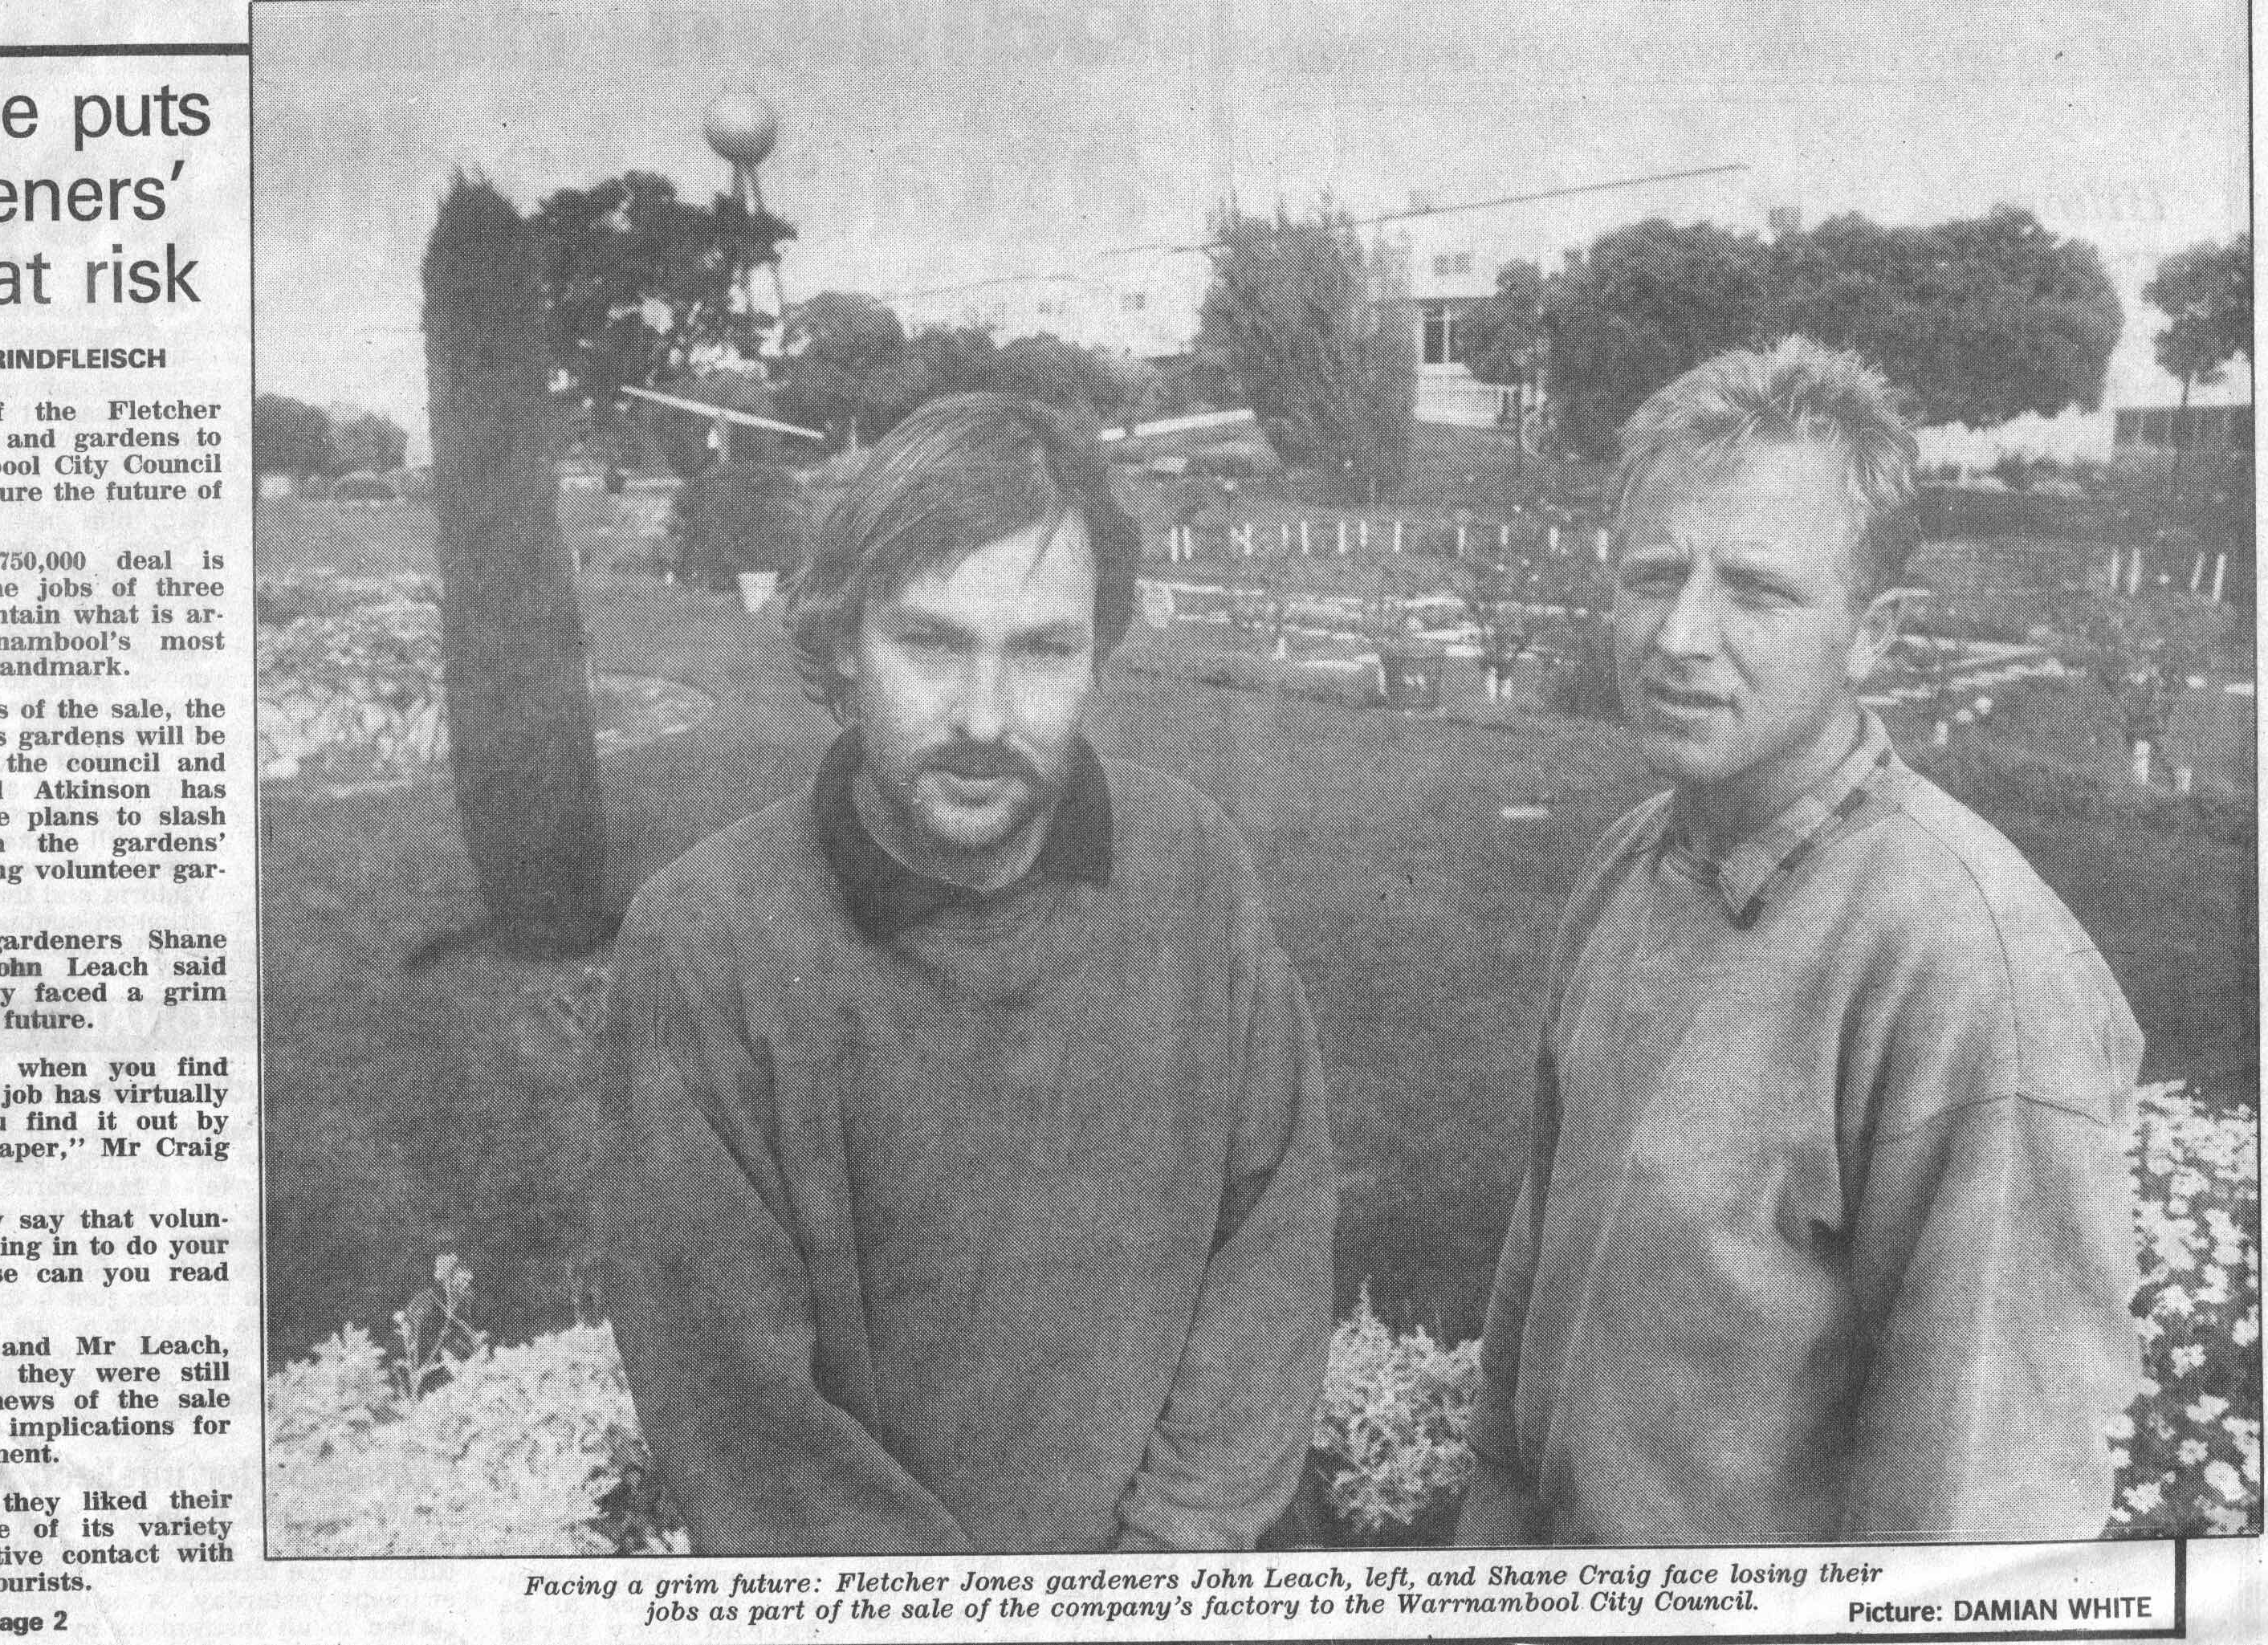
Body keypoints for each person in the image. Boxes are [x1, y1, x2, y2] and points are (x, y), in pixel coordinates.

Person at [598, 393, 1335, 1554]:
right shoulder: (705, 942)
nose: (985, 717)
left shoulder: (1195, 868)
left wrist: (1168, 1563)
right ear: (845, 642)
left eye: (1041, 649)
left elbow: (1272, 1242)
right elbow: (742, 1416)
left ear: (1100, 656)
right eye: (932, 643)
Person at [1458, 338, 2142, 1546]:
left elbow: (1975, 1531)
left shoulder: (1969, 965)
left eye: (1756, 591)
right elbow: (1539, 1278)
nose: (1679, 635)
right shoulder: (1629, 864)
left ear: (1874, 633)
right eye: (1652, 574)